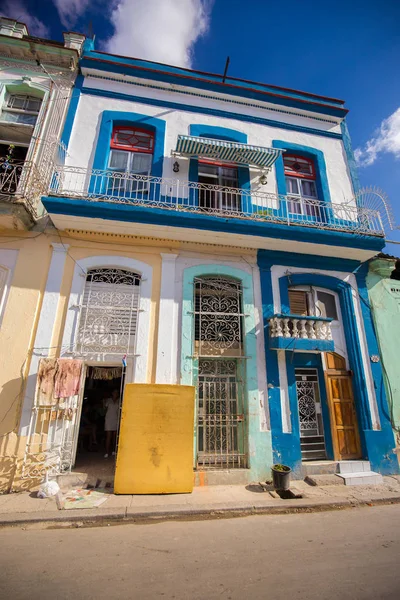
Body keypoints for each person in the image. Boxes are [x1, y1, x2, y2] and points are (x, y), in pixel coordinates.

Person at [103, 389, 120, 458]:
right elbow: (104, 409)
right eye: (114, 392)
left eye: (117, 393)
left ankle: (113, 451)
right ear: (112, 393)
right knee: (108, 436)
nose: (115, 394)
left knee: (114, 436)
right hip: (109, 419)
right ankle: (107, 452)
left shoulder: (119, 401)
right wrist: (103, 403)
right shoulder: (108, 400)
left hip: (116, 419)